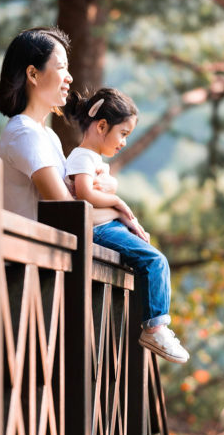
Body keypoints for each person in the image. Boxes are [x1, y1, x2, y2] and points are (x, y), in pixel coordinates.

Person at [64, 87, 189, 365]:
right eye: (122, 133)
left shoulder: (92, 159)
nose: (123, 143)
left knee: (150, 256)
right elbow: (84, 192)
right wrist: (119, 203)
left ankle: (155, 323)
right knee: (154, 259)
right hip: (99, 230)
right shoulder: (82, 156)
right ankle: (155, 327)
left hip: (108, 226)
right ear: (102, 126)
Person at [0, 26, 133, 227]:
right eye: (61, 67)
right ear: (33, 74)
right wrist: (118, 212)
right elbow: (69, 212)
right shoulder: (25, 133)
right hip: (28, 253)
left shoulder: (47, 135)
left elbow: (77, 196)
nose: (69, 77)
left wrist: (108, 185)